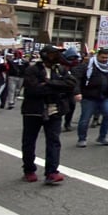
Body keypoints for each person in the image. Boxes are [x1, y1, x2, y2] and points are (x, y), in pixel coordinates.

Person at [21, 45, 77, 184]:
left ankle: (52, 172)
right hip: (33, 111)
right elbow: (34, 90)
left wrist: (49, 83)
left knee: (54, 141)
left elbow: (71, 84)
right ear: (45, 55)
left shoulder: (60, 69)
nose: (57, 57)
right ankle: (29, 169)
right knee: (29, 141)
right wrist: (58, 87)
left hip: (55, 110)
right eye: (53, 54)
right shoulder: (32, 69)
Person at [75, 48, 108, 146]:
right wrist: (77, 92)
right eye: (103, 57)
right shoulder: (87, 65)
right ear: (97, 56)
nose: (105, 59)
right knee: (85, 118)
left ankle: (102, 137)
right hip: (89, 96)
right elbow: (76, 78)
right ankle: (82, 138)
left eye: (107, 58)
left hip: (105, 96)